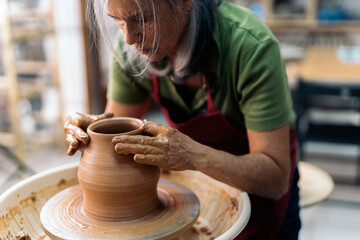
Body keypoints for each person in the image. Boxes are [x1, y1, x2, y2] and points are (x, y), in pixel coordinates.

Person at [64, 0, 301, 239]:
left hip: (261, 197)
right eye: (117, 20)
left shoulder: (249, 45)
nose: (129, 38)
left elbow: (275, 178)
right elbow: (118, 137)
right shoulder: (130, 50)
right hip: (198, 192)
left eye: (143, 19)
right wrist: (94, 133)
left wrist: (191, 155)